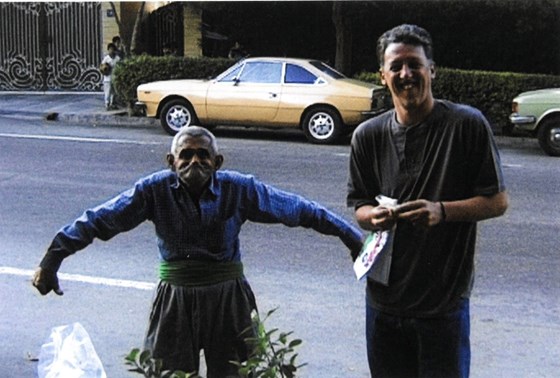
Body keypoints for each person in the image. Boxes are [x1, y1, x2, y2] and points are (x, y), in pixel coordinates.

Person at [33, 126, 363, 377]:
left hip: (229, 301)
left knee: (241, 372)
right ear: (171, 161)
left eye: (203, 155)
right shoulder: (153, 191)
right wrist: (52, 259)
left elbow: (301, 210)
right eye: (186, 154)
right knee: (167, 372)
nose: (195, 161)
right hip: (174, 301)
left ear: (217, 162)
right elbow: (99, 220)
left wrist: (351, 237)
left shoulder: (239, 188)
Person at [347, 24, 509, 378]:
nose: (406, 74)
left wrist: (443, 211)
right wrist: (372, 216)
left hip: (442, 307)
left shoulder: (466, 126)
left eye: (414, 64)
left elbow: (497, 201)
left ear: (431, 70)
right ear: (383, 75)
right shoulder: (367, 136)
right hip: (382, 305)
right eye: (396, 66)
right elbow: (358, 206)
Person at [100, 43, 121, 110]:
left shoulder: (117, 58)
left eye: (112, 49)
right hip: (107, 79)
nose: (111, 51)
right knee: (107, 92)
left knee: (114, 92)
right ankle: (107, 104)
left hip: (115, 78)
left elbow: (120, 67)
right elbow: (102, 68)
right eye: (110, 49)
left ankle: (113, 104)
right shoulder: (106, 59)